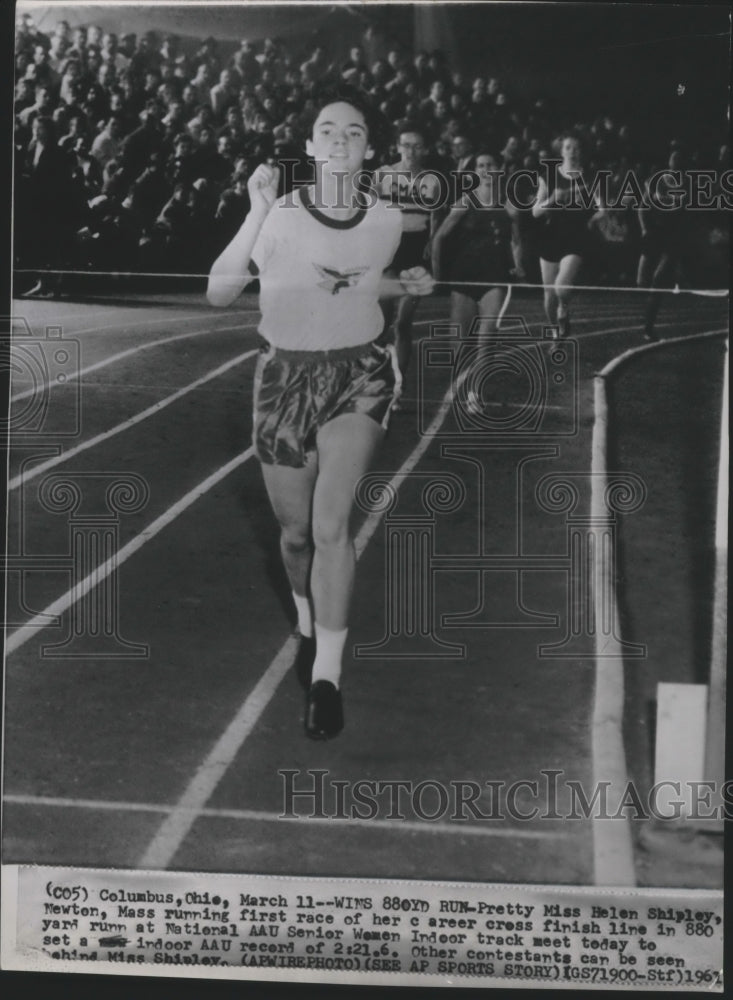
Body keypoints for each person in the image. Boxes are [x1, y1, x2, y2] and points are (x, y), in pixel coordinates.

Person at [207, 85, 434, 740]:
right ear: (308, 147)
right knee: (296, 534)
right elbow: (220, 294)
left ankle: (327, 677)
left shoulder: (389, 219)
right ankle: (307, 621)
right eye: (327, 130)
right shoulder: (278, 215)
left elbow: (372, 282)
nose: (339, 139)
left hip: (358, 376)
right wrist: (252, 211)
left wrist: (409, 286)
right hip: (283, 379)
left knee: (332, 526)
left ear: (369, 150)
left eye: (353, 131)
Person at [431, 150, 515, 413]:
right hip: (464, 275)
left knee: (487, 336)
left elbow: (518, 241)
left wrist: (520, 266)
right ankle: (463, 383)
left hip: (495, 277)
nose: (486, 169)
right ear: (474, 171)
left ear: (499, 169)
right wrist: (437, 273)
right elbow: (439, 238)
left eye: (490, 164)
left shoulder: (510, 205)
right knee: (459, 342)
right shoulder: (465, 201)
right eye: (481, 165)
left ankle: (475, 392)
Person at [375, 124, 441, 395]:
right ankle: (375, 379)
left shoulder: (432, 181)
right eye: (406, 145)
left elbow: (435, 219)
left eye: (417, 146)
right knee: (380, 321)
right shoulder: (383, 175)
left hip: (416, 251)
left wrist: (432, 247)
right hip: (389, 249)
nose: (411, 151)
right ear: (398, 147)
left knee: (403, 322)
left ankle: (397, 387)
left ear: (424, 149)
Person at [532, 132, 601, 338]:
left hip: (577, 235)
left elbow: (603, 209)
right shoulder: (549, 177)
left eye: (576, 148)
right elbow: (535, 212)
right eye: (568, 147)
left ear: (582, 152)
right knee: (548, 293)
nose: (572, 151)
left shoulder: (591, 177)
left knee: (561, 286)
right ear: (561, 151)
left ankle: (564, 307)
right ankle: (555, 330)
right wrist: (552, 199)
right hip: (552, 235)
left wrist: (592, 219)